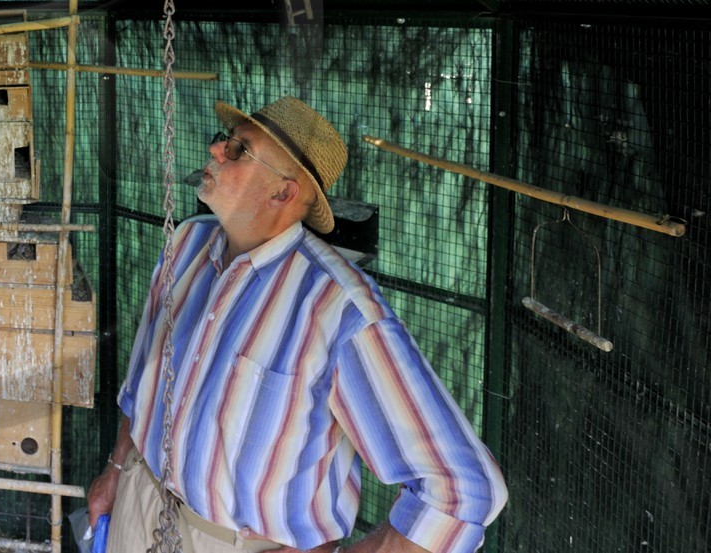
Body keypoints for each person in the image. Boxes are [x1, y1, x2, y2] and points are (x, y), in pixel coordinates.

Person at [87, 97, 506, 553]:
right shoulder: (187, 242)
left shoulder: (339, 310)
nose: (215, 150)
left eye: (238, 149)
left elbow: (463, 490)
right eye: (225, 139)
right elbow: (143, 382)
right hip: (139, 500)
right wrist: (116, 468)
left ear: (282, 194)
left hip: (233, 543)